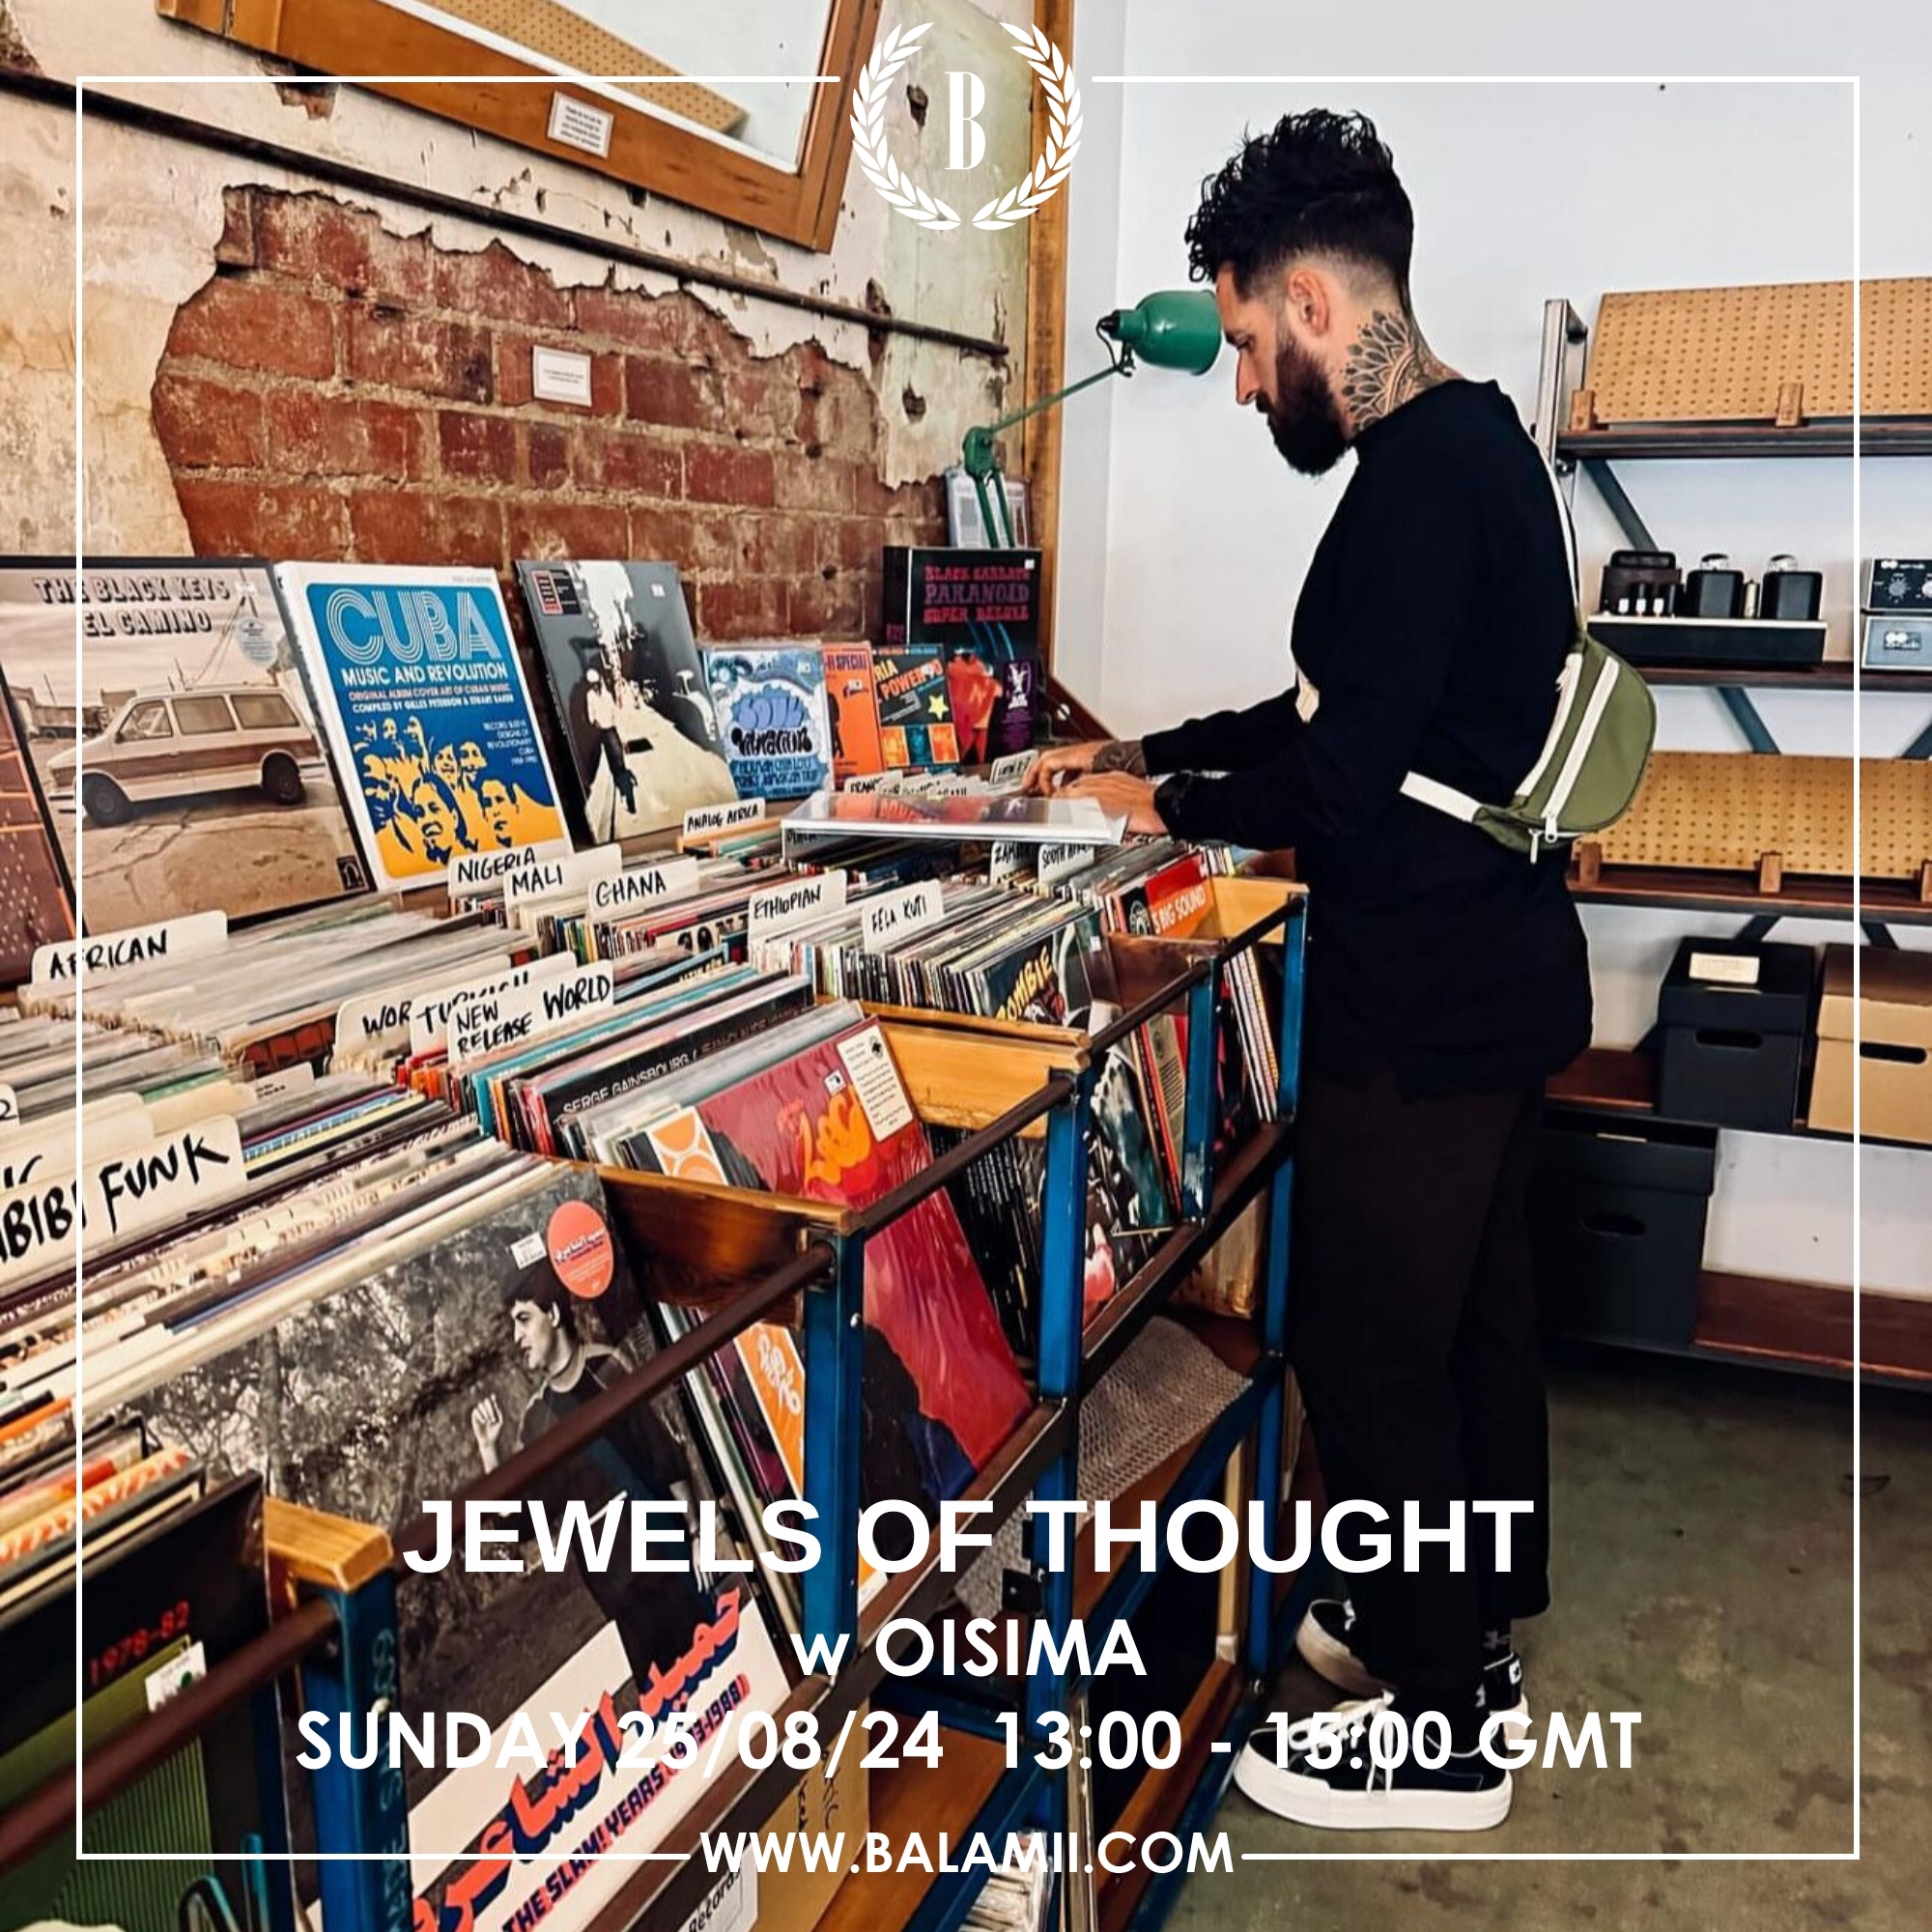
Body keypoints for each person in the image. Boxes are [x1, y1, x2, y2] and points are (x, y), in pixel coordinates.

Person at [1028, 109, 1590, 1832]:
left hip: (1424, 1002)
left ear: (1316, 307)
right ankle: (1463, 1633)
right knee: (1474, 1322)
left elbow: (1339, 786)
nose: (1241, 383)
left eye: (1246, 343)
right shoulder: (1473, 449)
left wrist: (1165, 809)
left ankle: (1445, 1732)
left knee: (1372, 1347)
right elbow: (1327, 713)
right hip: (1495, 981)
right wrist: (1147, 755)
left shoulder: (1417, 485)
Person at [470, 1259, 715, 1692]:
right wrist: (490, 1450)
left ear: (554, 1314)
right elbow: (518, 1524)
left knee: (721, 1677)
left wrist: (699, 1538)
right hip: (623, 1601)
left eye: (524, 1320)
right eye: (513, 1325)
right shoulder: (535, 1421)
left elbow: (665, 1454)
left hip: (670, 1565)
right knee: (672, 1710)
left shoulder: (608, 1367)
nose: (517, 1337)